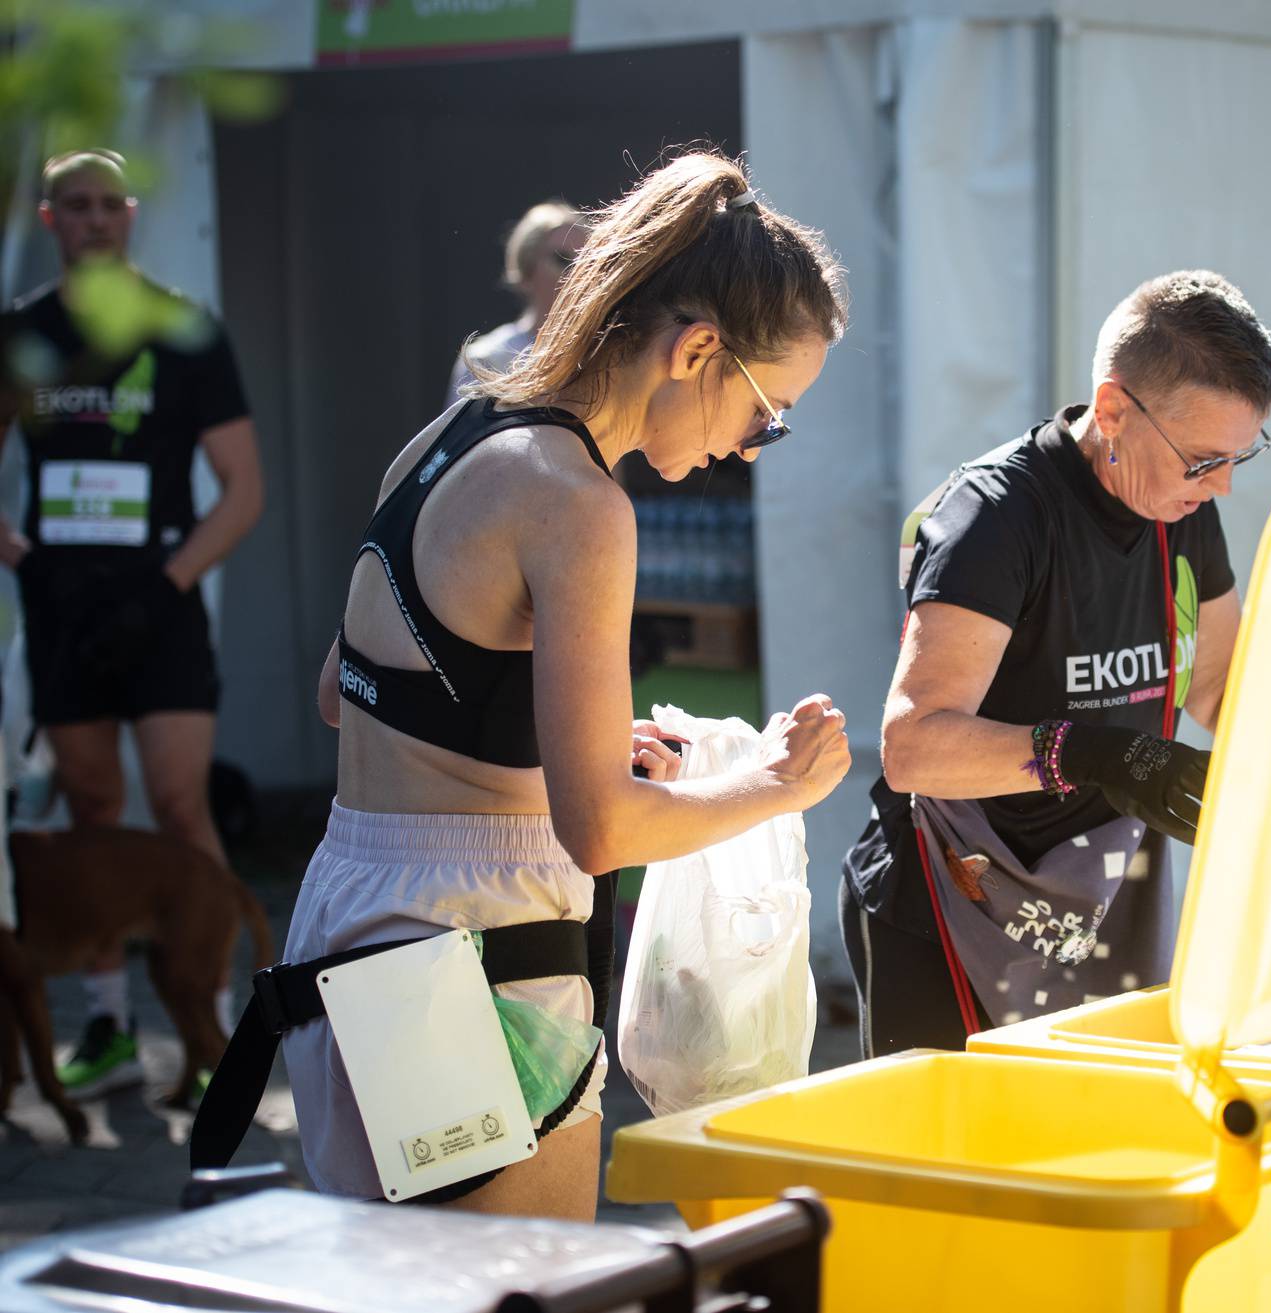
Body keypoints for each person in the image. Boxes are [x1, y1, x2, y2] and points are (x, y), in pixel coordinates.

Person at [193, 152, 852, 1221]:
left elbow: (347, 690)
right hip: (474, 947)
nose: (750, 448)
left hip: (356, 913)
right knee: (519, 1286)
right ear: (696, 350)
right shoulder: (579, 501)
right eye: (765, 412)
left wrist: (549, 727)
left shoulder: (453, 435)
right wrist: (779, 782)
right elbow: (601, 831)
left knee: (403, 1285)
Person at [841, 270, 1271, 1056]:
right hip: (951, 894)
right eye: (1200, 459)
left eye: (1236, 458)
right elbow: (913, 747)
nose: (1219, 485)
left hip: (1098, 892)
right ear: (1114, 409)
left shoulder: (1177, 505)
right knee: (955, 1173)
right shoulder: (997, 515)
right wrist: (1090, 752)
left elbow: (1222, 689)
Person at [0, 148, 265, 1096]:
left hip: (160, 600)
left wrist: (169, 580)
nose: (96, 220)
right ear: (50, 220)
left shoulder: (183, 330)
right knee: (91, 804)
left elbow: (242, 488)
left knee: (180, 798)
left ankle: (221, 1025)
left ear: (134, 215)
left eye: (111, 204)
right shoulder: (22, 332)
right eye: (77, 206)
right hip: (61, 604)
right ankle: (109, 1022)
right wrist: (24, 556)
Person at [446, 200, 583, 406]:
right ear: (526, 271)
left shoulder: (603, 359)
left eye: (586, 262)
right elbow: (465, 437)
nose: (575, 273)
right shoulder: (485, 360)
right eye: (562, 259)